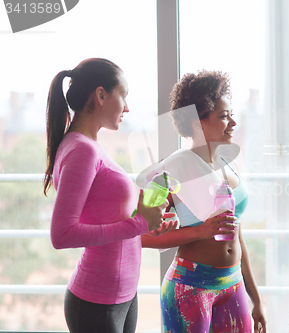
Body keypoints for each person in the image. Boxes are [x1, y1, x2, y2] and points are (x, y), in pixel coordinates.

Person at [44, 58, 175, 333]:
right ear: (101, 95)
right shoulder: (83, 150)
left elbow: (108, 214)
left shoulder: (89, 145)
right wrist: (140, 223)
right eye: (123, 95)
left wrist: (152, 220)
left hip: (123, 294)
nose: (127, 107)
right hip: (97, 301)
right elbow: (62, 235)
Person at [141, 70, 266, 333]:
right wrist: (199, 231)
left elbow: (236, 234)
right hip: (190, 288)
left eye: (231, 114)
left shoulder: (227, 165)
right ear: (198, 122)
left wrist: (256, 299)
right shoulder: (171, 169)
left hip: (233, 285)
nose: (233, 122)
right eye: (223, 116)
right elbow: (140, 236)